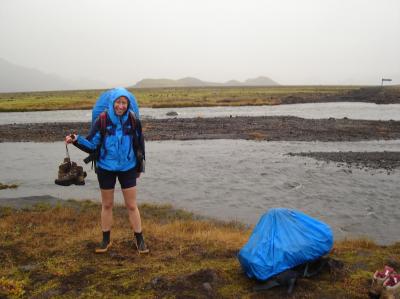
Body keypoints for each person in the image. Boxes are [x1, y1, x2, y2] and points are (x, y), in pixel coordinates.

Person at [65, 88, 149, 254]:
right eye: (118, 102)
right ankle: (105, 240)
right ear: (112, 103)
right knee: (107, 204)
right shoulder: (102, 120)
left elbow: (140, 145)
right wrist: (76, 140)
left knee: (132, 205)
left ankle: (139, 238)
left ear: (128, 104)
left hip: (128, 167)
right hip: (105, 168)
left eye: (124, 103)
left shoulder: (133, 121)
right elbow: (92, 146)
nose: (121, 106)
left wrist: (140, 167)